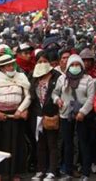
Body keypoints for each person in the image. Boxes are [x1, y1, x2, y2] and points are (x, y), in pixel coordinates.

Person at [0, 54, 31, 181]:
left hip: (16, 117)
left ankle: (15, 173)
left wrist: (20, 110)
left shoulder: (21, 77)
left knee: (16, 144)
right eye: (7, 66)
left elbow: (28, 95)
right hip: (1, 118)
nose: (10, 67)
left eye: (12, 65)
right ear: (1, 68)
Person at [52, 54, 96, 180]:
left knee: (83, 143)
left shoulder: (88, 79)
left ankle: (86, 173)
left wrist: (82, 112)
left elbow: (90, 99)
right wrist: (57, 100)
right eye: (72, 65)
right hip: (66, 114)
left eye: (77, 65)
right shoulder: (62, 79)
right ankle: (68, 171)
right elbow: (55, 93)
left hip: (83, 116)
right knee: (68, 143)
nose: (75, 67)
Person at [29, 52, 61, 181]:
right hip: (37, 115)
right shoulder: (33, 76)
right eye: (39, 61)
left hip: (52, 114)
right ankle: (40, 169)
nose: (41, 64)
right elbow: (31, 95)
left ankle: (52, 171)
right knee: (40, 144)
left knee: (52, 144)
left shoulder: (57, 76)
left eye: (44, 61)